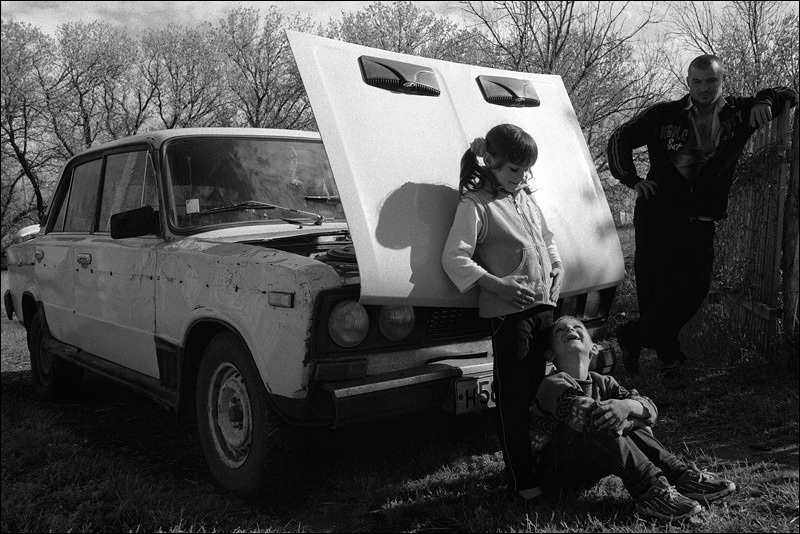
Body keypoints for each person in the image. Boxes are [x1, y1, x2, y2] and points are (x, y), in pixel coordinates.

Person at [607, 54, 798, 376]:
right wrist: (633, 180)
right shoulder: (664, 114)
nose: (704, 88)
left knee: (693, 290)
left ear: (722, 80)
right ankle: (669, 358)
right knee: (655, 290)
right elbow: (619, 138)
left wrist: (765, 99)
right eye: (697, 81)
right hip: (658, 215)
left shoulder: (739, 112)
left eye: (711, 81)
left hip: (702, 218)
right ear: (688, 83)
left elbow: (790, 93)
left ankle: (632, 335)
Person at [441, 123, 564, 501]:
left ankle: (550, 462)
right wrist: (498, 285)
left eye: (527, 170)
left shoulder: (525, 197)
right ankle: (522, 479)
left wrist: (557, 266)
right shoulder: (474, 204)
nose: (522, 177)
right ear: (490, 162)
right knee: (512, 399)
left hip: (545, 309)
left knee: (543, 393)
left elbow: (546, 239)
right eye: (514, 170)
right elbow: (453, 258)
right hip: (511, 317)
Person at [531, 315, 736, 521]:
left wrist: (627, 407)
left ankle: (680, 476)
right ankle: (651, 490)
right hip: (554, 474)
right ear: (550, 354)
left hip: (585, 468)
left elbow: (650, 409)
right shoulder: (552, 383)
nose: (570, 330)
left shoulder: (603, 382)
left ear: (593, 348)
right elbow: (592, 417)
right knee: (603, 419)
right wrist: (632, 417)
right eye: (560, 330)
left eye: (577, 327)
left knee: (621, 415)